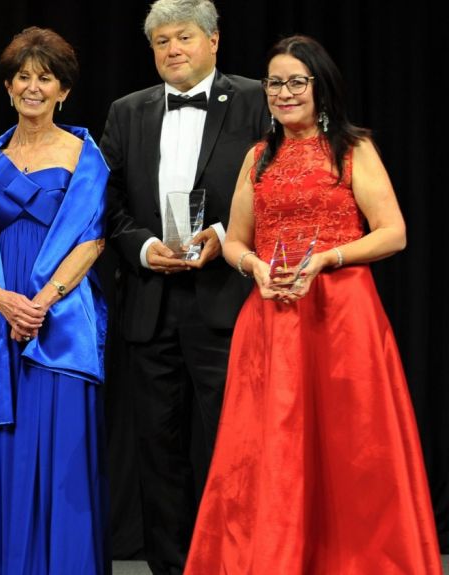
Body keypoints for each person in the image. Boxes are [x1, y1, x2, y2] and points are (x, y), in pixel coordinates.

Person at [185, 34, 442, 574]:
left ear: (320, 87)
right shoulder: (258, 157)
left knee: (351, 445)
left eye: (295, 82)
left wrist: (328, 258)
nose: (283, 93)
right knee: (268, 448)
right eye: (274, 83)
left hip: (342, 316)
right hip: (271, 316)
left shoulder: (352, 149)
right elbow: (236, 240)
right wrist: (253, 267)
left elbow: (393, 233)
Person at [98, 1, 269, 572]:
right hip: (150, 304)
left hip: (229, 302)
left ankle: (240, 564)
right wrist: (143, 246)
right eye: (162, 41)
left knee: (237, 447)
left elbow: (275, 187)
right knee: (158, 450)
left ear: (214, 40)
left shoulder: (255, 99)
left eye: (185, 37)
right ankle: (171, 566)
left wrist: (224, 235)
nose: (173, 50)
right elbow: (107, 201)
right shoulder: (127, 111)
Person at [0, 27, 110, 575]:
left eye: (45, 78)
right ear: (8, 88)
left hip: (59, 322)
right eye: (23, 77)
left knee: (60, 453)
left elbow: (93, 240)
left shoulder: (87, 158)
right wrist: (2, 301)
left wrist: (41, 303)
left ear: (64, 90)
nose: (33, 87)